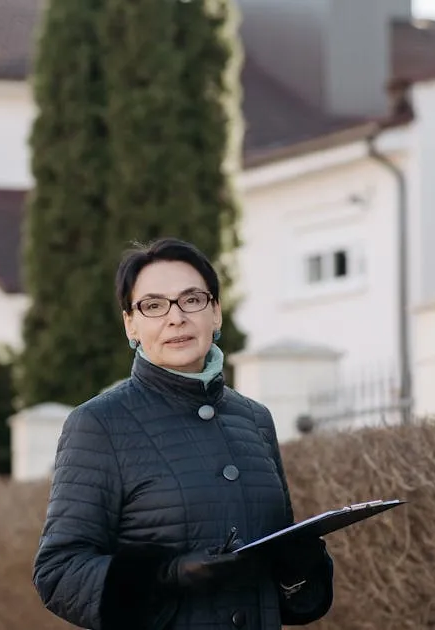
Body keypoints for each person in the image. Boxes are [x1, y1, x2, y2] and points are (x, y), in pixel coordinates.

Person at [32, 237, 334, 630]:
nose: (176, 318)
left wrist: (298, 567)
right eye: (154, 306)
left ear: (216, 313)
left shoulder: (255, 419)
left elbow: (284, 591)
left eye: (192, 300)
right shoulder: (100, 424)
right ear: (131, 324)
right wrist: (166, 575)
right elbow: (59, 572)